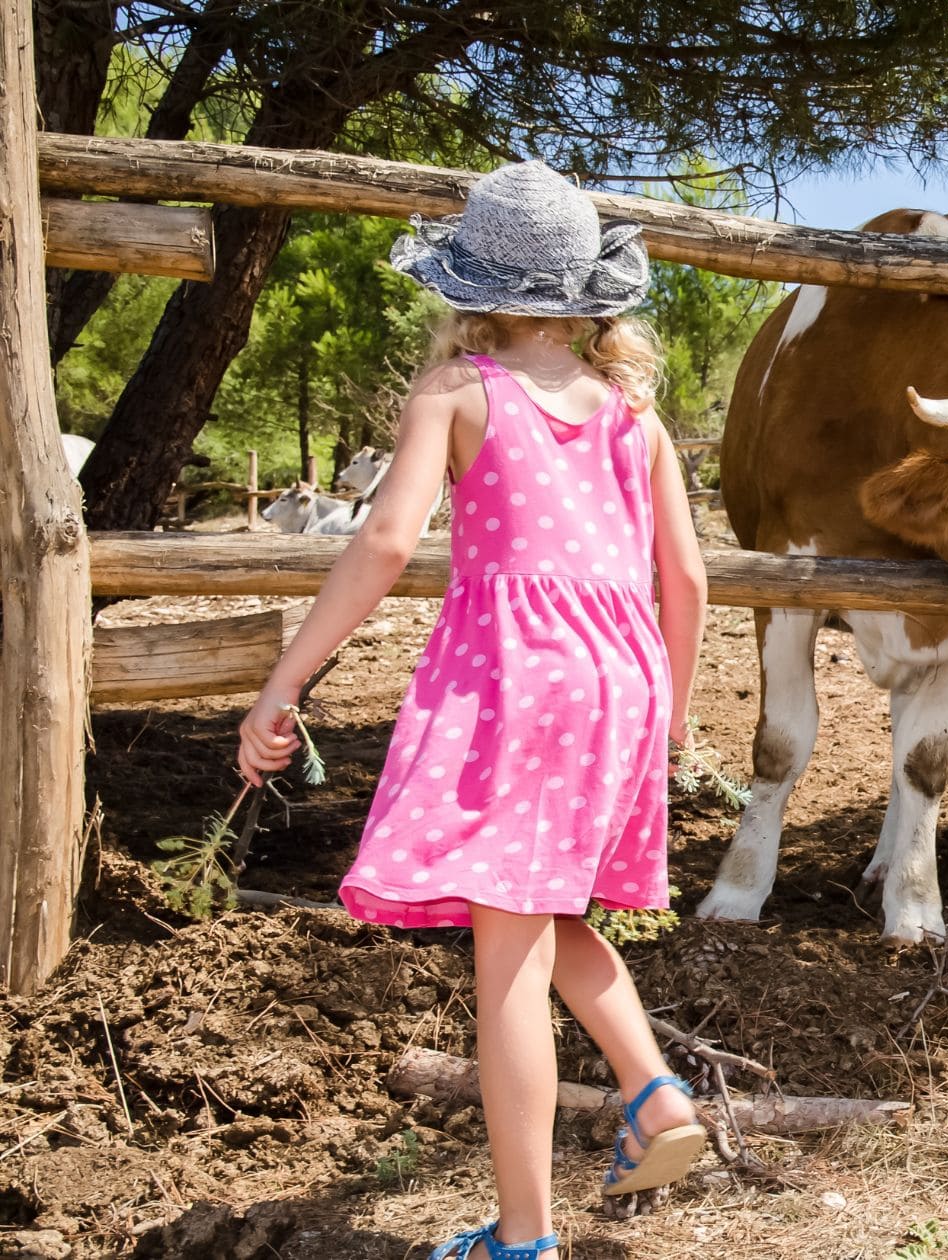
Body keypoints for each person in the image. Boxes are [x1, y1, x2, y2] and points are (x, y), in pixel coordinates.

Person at [235, 161, 712, 1260]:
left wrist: (287, 679)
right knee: (544, 913)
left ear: (475, 287)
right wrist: (672, 717)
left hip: (519, 682)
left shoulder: (455, 396)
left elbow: (386, 543)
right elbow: (683, 580)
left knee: (507, 961)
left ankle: (524, 1238)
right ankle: (652, 1094)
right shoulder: (636, 420)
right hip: (622, 683)